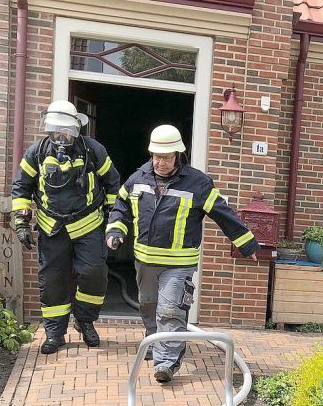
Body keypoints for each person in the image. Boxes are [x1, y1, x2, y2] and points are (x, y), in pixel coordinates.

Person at [106, 125, 258, 383]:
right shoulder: (138, 179)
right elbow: (120, 207)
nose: (160, 162)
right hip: (145, 260)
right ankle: (154, 342)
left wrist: (247, 244)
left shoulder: (197, 183)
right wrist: (115, 232)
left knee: (170, 310)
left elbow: (223, 213)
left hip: (179, 264)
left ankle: (165, 363)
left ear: (178, 155)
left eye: (166, 157)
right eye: (156, 156)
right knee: (148, 305)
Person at [11, 100, 121, 354]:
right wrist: (21, 222)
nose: (61, 137)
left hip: (88, 224)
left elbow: (114, 185)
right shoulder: (36, 153)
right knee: (52, 281)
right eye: (55, 131)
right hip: (52, 227)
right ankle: (55, 333)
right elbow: (21, 188)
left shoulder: (94, 151)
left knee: (94, 274)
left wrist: (113, 221)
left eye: (66, 132)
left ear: (76, 130)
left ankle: (85, 321)